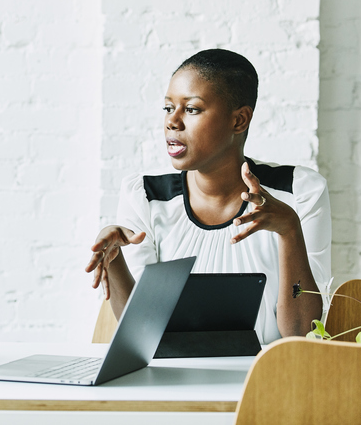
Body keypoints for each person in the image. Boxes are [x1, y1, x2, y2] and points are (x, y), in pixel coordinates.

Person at [85, 49, 331, 344]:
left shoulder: (298, 192)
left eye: (191, 109)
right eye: (167, 108)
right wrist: (114, 261)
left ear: (239, 121)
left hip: (267, 380)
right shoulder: (146, 198)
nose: (172, 122)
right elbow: (142, 335)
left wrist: (290, 229)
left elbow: (302, 333)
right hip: (174, 384)